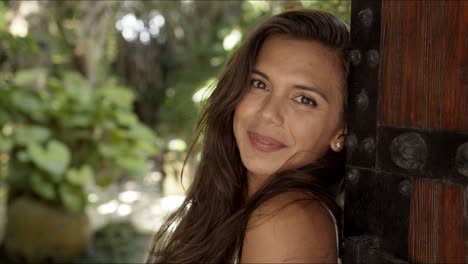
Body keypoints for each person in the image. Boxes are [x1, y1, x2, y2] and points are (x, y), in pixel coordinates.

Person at [147, 9, 349, 263]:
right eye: (259, 84)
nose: (268, 114)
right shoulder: (233, 201)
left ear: (341, 130)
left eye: (304, 99)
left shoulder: (286, 219)